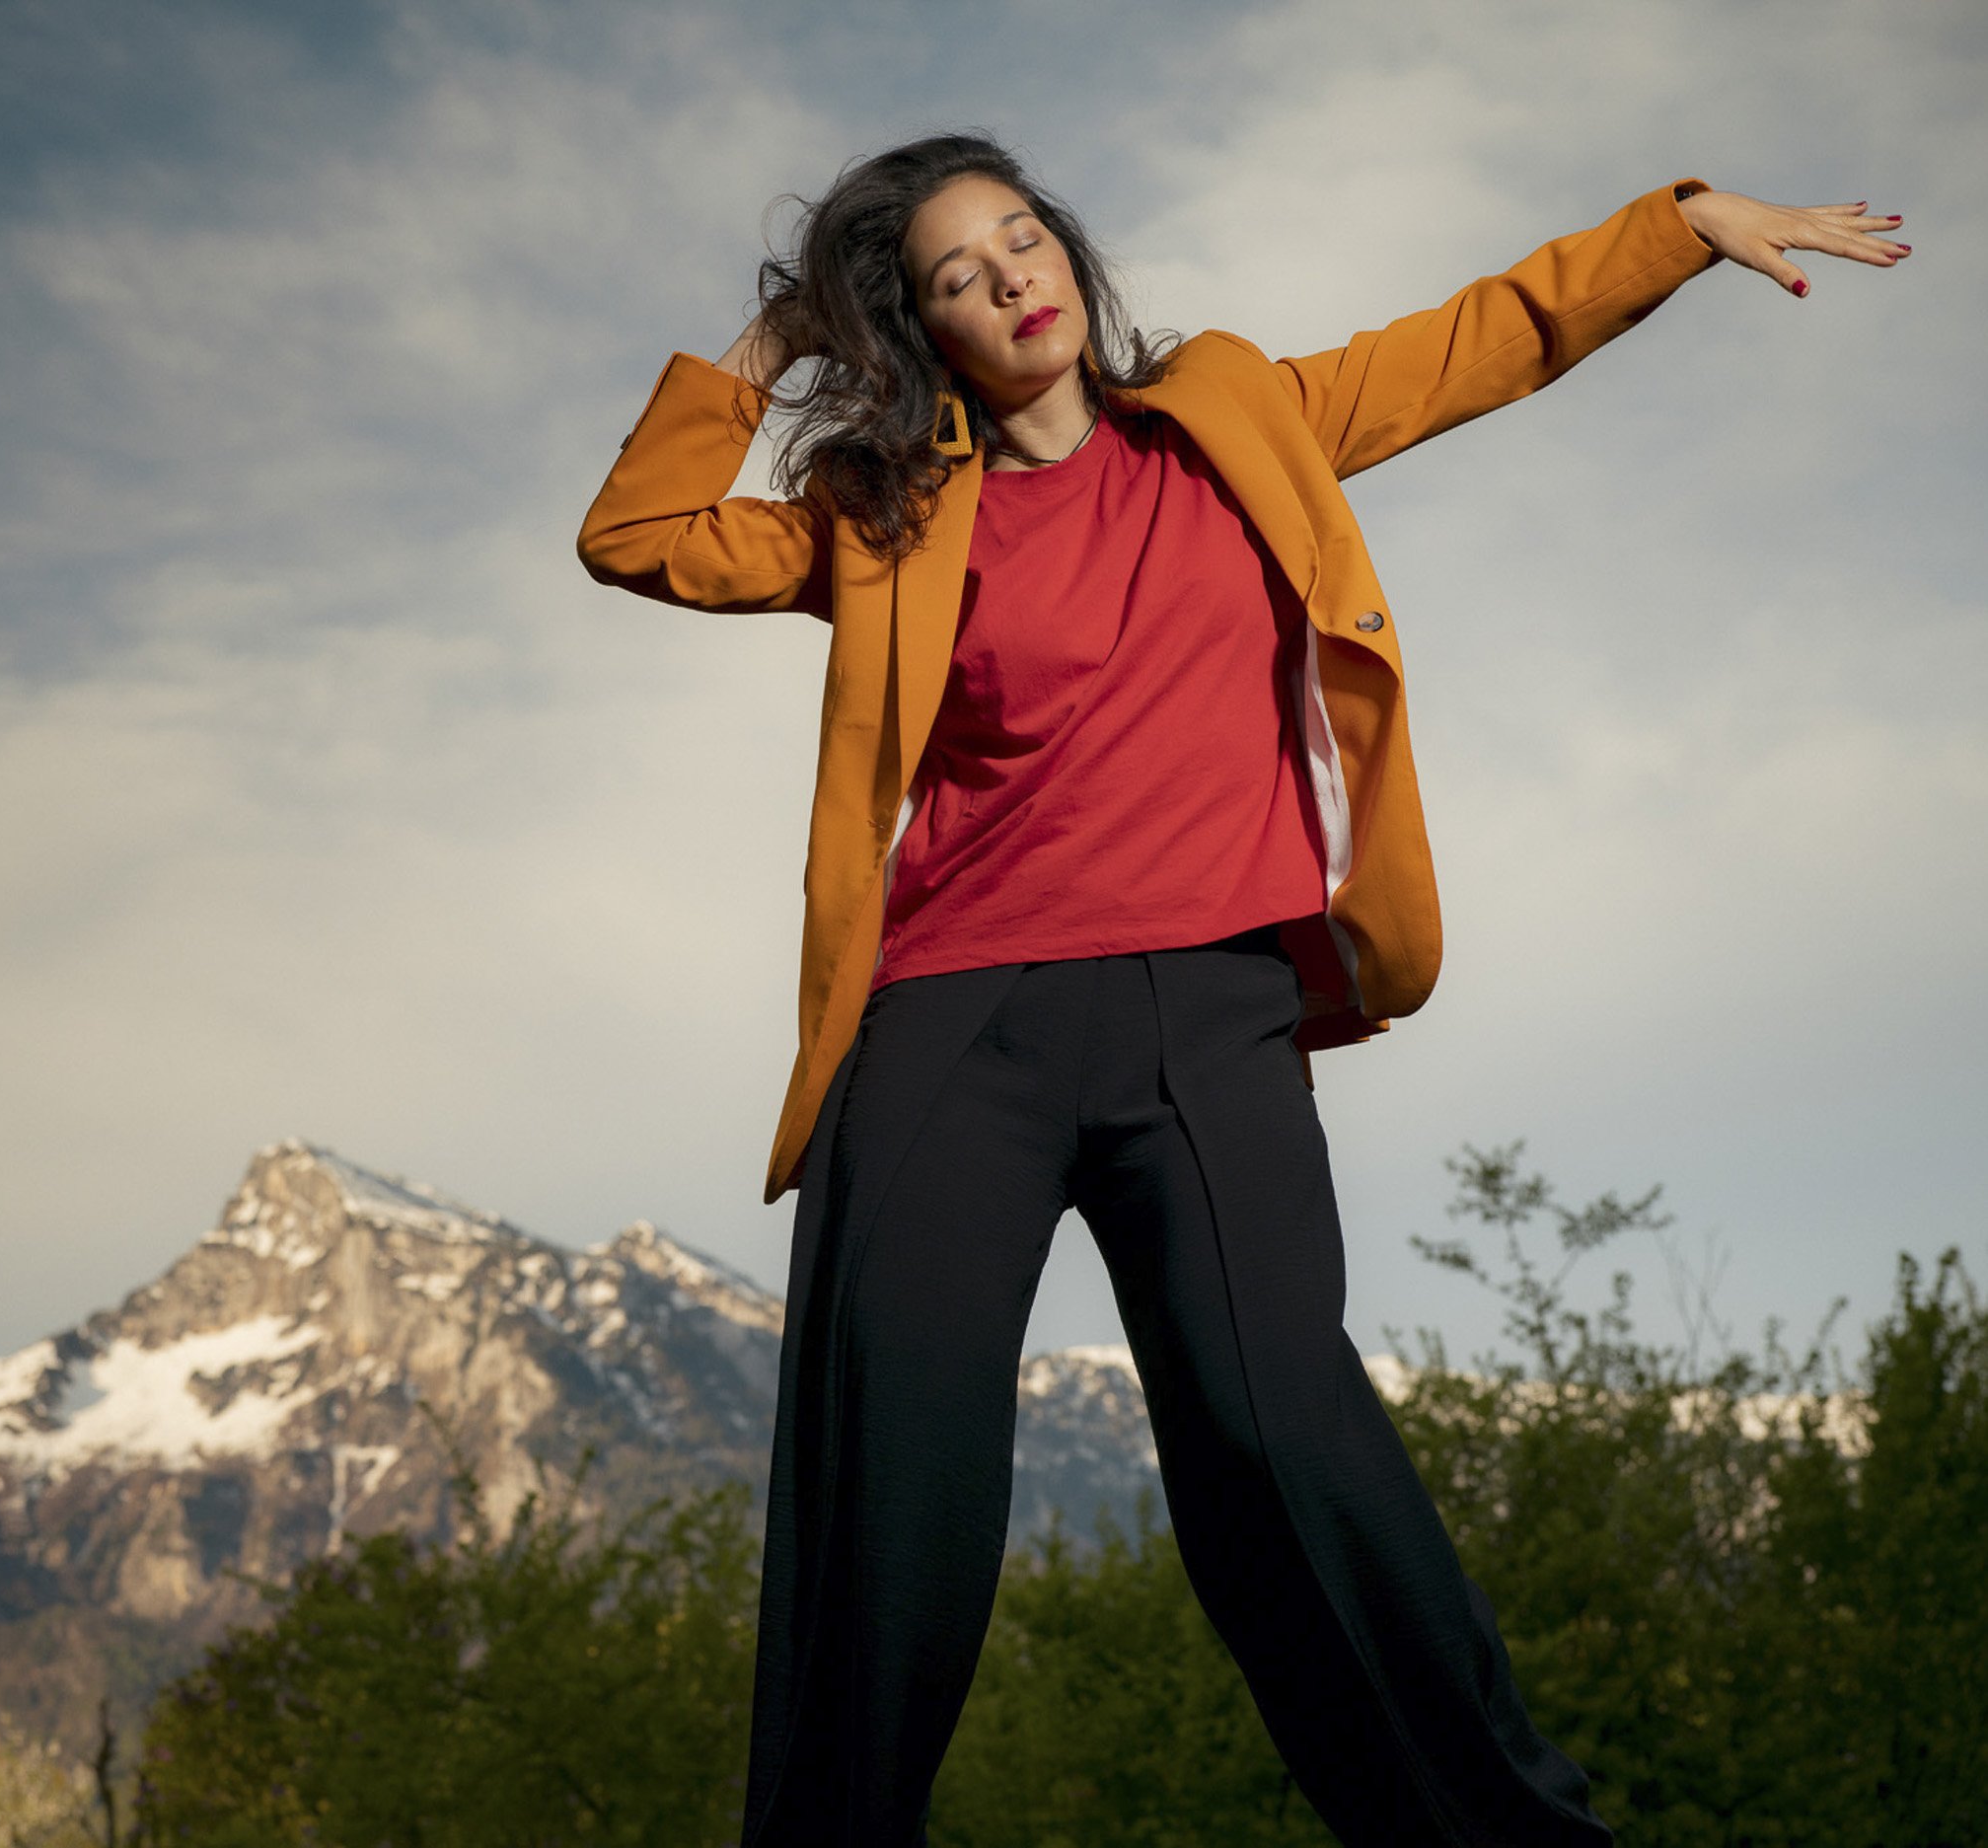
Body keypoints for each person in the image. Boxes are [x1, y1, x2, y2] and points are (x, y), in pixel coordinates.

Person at [574, 132, 1906, 1847]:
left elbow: (1486, 336)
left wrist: (1682, 230)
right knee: (889, 1484)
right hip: (947, 1028)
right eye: (957, 280)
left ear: (1068, 250)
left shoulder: (1237, 418)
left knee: (1281, 1440)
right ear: (924, 337)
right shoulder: (887, 509)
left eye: (1022, 239)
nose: (1011, 280)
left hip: (1207, 1012)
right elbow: (641, 533)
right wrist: (774, 343)